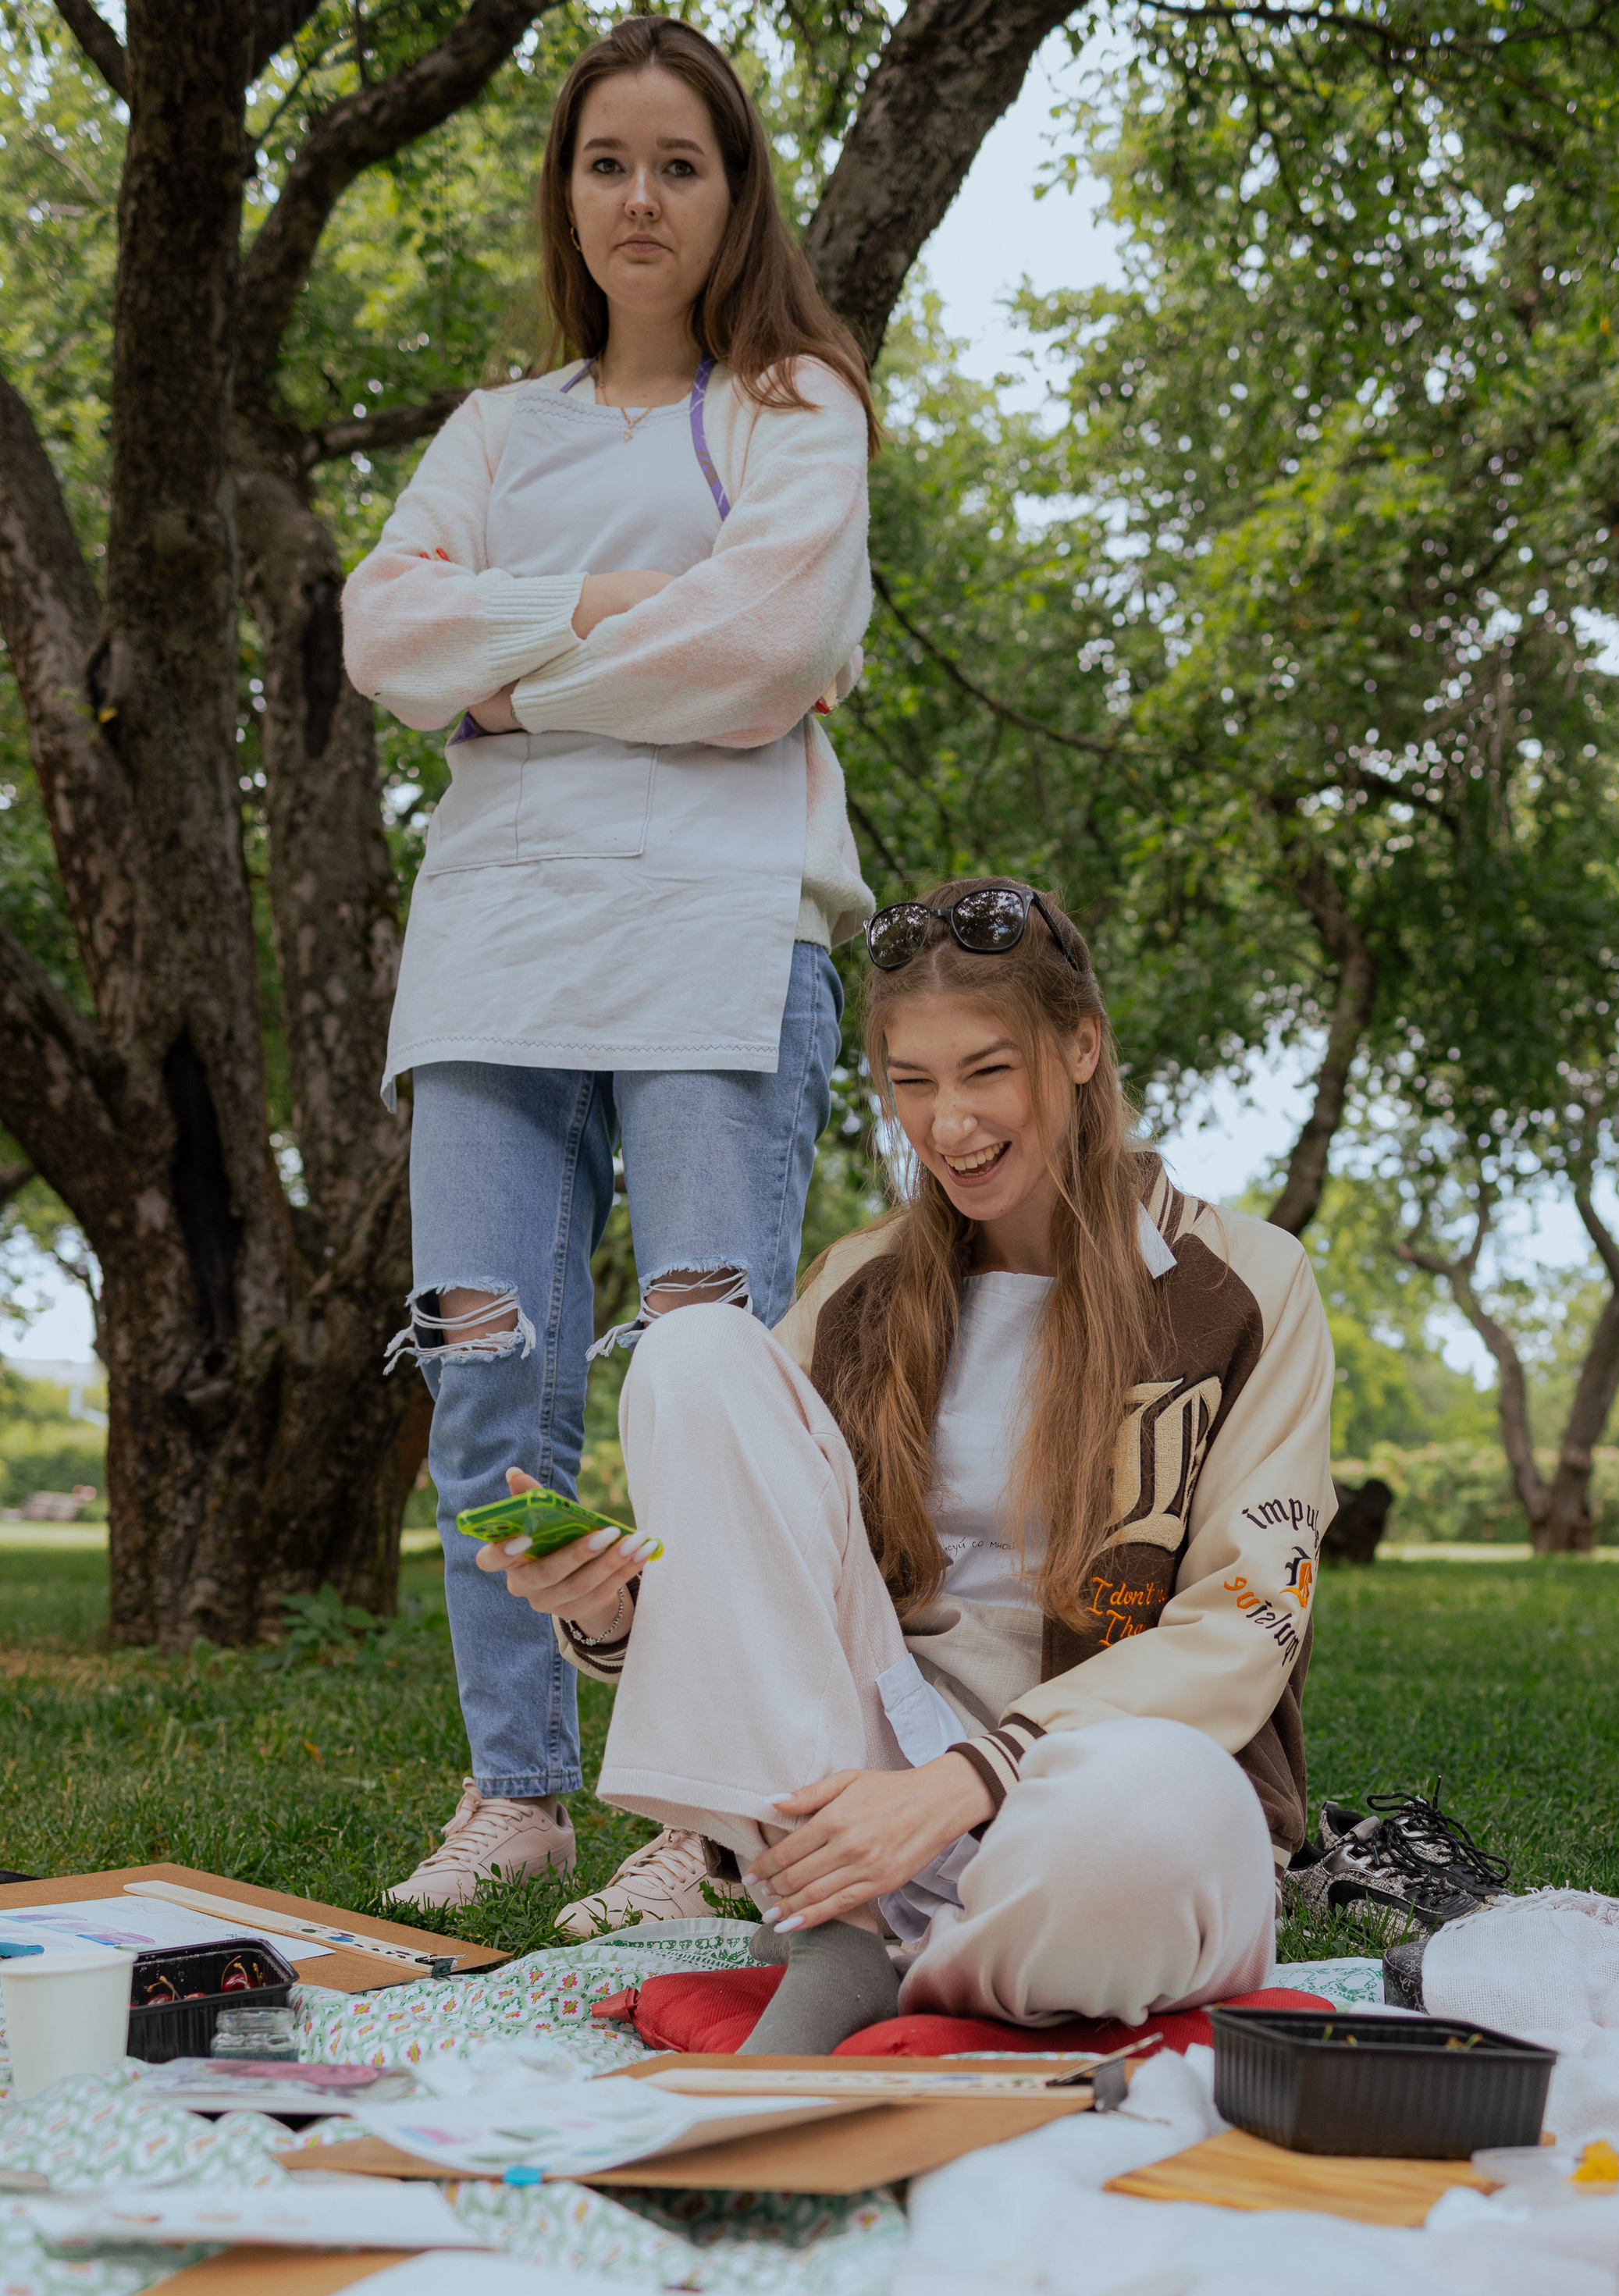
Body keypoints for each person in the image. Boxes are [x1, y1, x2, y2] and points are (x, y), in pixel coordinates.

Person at [341, 15, 876, 1927]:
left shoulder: (795, 408)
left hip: (720, 936)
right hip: (493, 949)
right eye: (604, 163)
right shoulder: (497, 432)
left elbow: (775, 651)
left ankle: (696, 1808)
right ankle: (522, 1793)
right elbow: (377, 633)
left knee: (703, 1388)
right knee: (491, 1380)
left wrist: (503, 685)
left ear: (732, 196)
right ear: (566, 195)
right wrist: (607, 609)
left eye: (679, 162)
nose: (639, 197)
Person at [471, 877, 1338, 2045]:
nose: (950, 1126)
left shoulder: (1244, 1284)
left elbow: (1245, 1623)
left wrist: (972, 1782)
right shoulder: (858, 1290)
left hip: (1086, 1795)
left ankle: (899, 1960)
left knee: (1151, 1824)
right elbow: (756, 1595)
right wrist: (613, 1611)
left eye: (988, 1072)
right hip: (861, 1795)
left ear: (1081, 1049)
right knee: (693, 1353)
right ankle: (849, 1931)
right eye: (910, 1085)